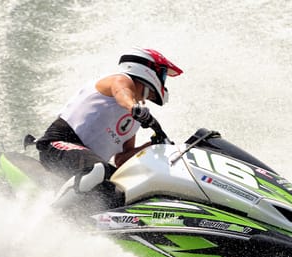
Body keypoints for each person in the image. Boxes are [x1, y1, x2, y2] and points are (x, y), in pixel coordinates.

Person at [33, 47, 183, 205]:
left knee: (121, 191)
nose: (163, 83)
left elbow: (121, 159)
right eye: (164, 75)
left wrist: (151, 146)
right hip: (56, 145)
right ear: (149, 69)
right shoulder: (121, 80)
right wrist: (133, 107)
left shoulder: (134, 118)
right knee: (98, 169)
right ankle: (50, 215)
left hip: (89, 165)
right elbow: (122, 92)